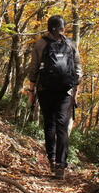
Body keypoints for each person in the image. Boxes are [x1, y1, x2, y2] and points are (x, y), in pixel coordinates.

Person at [26, 15, 82, 180]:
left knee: (49, 124)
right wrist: (75, 88)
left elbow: (34, 68)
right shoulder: (71, 44)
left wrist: (32, 90)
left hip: (45, 89)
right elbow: (78, 68)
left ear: (48, 27)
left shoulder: (40, 44)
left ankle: (51, 158)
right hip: (65, 91)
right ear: (63, 27)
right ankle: (61, 165)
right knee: (62, 126)